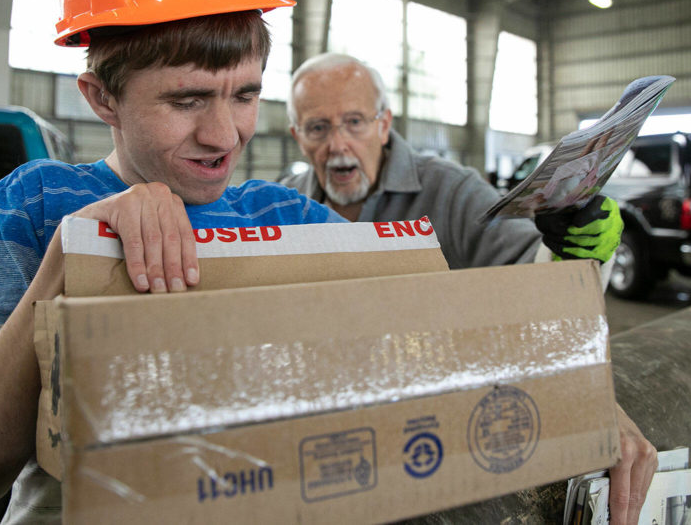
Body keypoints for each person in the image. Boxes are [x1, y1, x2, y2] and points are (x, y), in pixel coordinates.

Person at [0, 0, 345, 522]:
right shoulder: (39, 203)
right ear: (101, 97)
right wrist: (74, 258)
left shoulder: (291, 219)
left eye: (245, 94)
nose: (223, 133)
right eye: (186, 100)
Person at [282, 52, 657, 524]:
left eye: (354, 122)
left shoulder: (451, 191)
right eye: (317, 128)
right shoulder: (282, 204)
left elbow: (532, 281)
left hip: (432, 442)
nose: (338, 144)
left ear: (383, 124)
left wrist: (574, 251)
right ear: (297, 136)